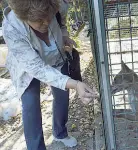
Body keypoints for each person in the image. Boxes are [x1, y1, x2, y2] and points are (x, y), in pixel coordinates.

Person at [2, 0, 98, 149]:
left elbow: (62, 22)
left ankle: (60, 133)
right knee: (31, 107)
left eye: (49, 16)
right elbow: (37, 68)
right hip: (26, 67)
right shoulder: (11, 29)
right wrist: (76, 84)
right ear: (24, 16)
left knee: (62, 96)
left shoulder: (57, 5)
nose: (46, 22)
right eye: (39, 20)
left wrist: (64, 36)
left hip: (56, 56)